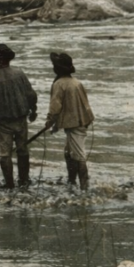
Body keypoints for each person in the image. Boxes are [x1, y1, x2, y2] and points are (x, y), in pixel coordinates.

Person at [0, 43, 38, 189]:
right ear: (9, 59)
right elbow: (31, 95)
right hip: (21, 119)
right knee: (22, 150)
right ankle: (24, 181)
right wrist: (33, 110)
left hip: (3, 122)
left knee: (5, 153)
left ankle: (9, 184)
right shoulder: (19, 73)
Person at [44, 52, 95, 191]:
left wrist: (49, 121)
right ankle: (72, 182)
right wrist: (55, 125)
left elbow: (55, 107)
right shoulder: (76, 82)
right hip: (81, 121)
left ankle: (84, 188)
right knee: (68, 153)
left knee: (78, 156)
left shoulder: (59, 84)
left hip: (75, 124)